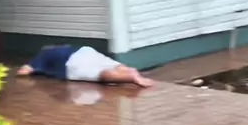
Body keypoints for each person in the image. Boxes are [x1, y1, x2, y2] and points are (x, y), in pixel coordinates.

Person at [17, 44, 153, 87]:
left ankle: (131, 78)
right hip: (85, 50)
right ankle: (128, 70)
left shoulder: (42, 55)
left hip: (71, 65)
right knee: (110, 64)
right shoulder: (65, 47)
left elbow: (24, 71)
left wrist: (28, 67)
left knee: (101, 74)